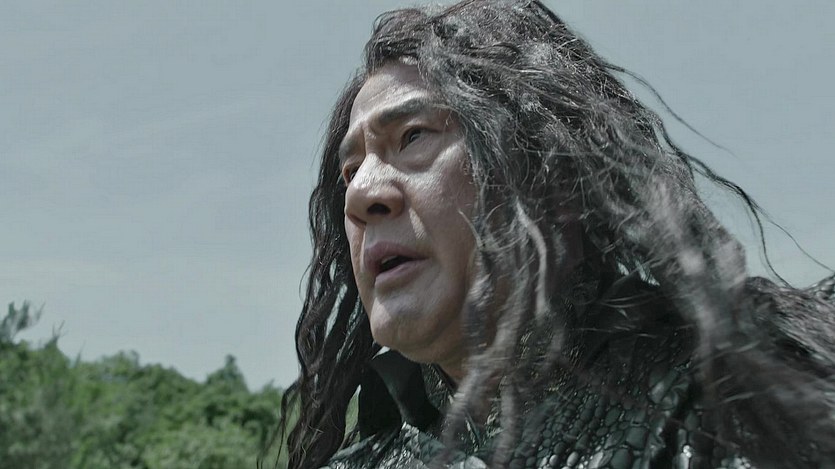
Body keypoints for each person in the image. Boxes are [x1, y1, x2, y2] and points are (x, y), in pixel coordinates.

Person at [271, 1, 835, 468]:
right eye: (350, 172)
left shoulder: (739, 405)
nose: (361, 193)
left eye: (413, 136)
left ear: (548, 171)